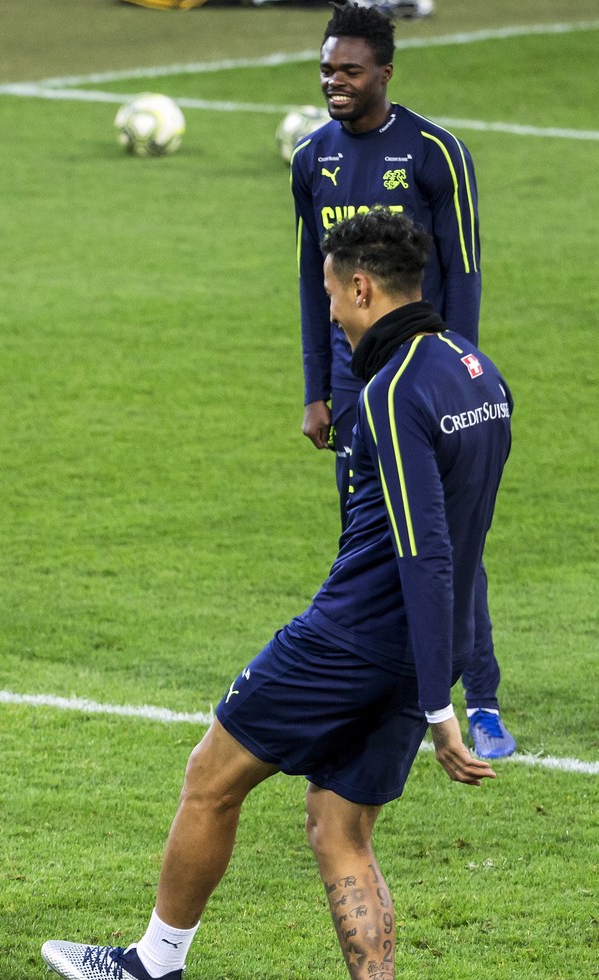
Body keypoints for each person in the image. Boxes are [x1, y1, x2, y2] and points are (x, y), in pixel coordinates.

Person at [42, 210, 508, 980]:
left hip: (350, 638)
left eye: (332, 294)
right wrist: (454, 671)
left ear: (361, 287)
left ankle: (154, 967)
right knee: (340, 831)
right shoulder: (478, 374)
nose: (329, 312)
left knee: (209, 779)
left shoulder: (391, 393)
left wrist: (443, 709)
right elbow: (472, 543)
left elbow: (425, 551)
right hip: (415, 652)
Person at [290, 3, 513, 758]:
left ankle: (477, 697)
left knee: (448, 539)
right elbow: (307, 281)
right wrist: (317, 390)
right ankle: (389, 688)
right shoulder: (311, 156)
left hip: (428, 376)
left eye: (349, 70)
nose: (335, 83)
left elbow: (465, 270)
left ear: (385, 71)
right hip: (358, 390)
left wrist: (461, 372)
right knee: (368, 537)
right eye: (326, 70)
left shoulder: (433, 151)